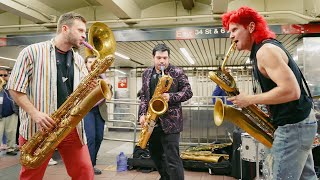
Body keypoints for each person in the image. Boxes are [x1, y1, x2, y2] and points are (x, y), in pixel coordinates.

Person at [222, 6, 318, 179]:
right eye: (230, 31)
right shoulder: (262, 50)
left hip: (293, 127)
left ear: (251, 27)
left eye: (235, 29)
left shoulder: (265, 51)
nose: (231, 35)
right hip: (299, 124)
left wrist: (249, 99)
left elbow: (291, 91)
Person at [7, 12, 94, 179]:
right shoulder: (32, 52)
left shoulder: (78, 60)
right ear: (65, 28)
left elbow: (80, 96)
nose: (85, 36)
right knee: (31, 175)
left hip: (71, 127)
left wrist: (89, 89)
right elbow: (15, 88)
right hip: (38, 128)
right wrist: (35, 114)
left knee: (85, 173)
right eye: (81, 30)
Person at [138, 44, 193, 180]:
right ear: (153, 58)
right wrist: (142, 114)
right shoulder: (146, 74)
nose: (162, 61)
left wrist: (171, 97)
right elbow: (144, 96)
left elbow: (188, 92)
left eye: (165, 58)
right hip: (152, 121)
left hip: (171, 123)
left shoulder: (177, 72)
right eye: (158, 58)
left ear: (169, 58)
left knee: (173, 159)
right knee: (156, 155)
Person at [84, 55, 112, 175]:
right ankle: (88, 166)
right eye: (89, 62)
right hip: (87, 110)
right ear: (85, 64)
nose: (92, 64)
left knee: (99, 138)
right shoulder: (82, 75)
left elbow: (109, 95)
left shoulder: (103, 76)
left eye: (94, 62)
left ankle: (92, 164)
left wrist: (109, 85)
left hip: (100, 110)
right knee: (91, 138)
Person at [0, 68, 18, 156]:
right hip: (0, 115)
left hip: (11, 113)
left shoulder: (12, 86)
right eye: (1, 75)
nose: (3, 77)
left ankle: (11, 148)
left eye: (5, 75)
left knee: (11, 132)